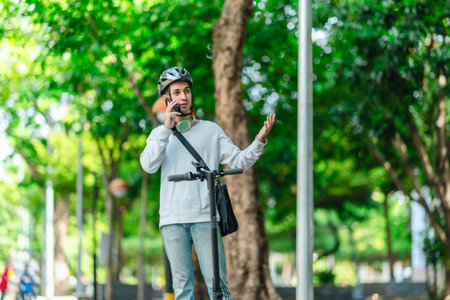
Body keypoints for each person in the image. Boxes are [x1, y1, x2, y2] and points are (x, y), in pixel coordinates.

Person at [140, 66, 276, 300]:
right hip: (172, 221)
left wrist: (259, 140)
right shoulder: (158, 135)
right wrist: (165, 128)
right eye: (177, 92)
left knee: (218, 285)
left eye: (187, 91)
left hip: (205, 218)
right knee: (182, 288)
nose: (183, 96)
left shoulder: (210, 131)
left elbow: (239, 162)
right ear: (167, 99)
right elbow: (148, 165)